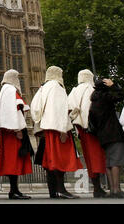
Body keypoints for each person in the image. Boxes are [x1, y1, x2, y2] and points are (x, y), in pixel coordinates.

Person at [31, 66, 83, 199]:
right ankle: (61, 190)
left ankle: (53, 191)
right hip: (57, 128)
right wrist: (63, 129)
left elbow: (35, 107)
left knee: (51, 161)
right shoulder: (57, 87)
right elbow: (58, 109)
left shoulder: (43, 88)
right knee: (60, 159)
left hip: (47, 129)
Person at [89, 78, 124, 198]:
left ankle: (112, 190)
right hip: (113, 133)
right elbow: (123, 95)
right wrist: (113, 85)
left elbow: (92, 121)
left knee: (109, 162)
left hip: (102, 135)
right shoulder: (106, 98)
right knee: (116, 161)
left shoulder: (94, 102)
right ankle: (116, 190)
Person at [68, 69, 107, 198]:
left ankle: (97, 186)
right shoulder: (91, 89)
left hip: (81, 129)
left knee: (89, 158)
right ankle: (98, 188)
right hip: (93, 129)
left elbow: (70, 108)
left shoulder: (74, 91)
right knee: (97, 157)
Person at [0, 69, 33, 199]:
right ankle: (14, 191)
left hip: (6, 132)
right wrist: (19, 130)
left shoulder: (2, 92)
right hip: (14, 132)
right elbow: (16, 111)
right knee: (14, 160)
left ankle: (14, 190)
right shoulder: (11, 91)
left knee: (11, 161)